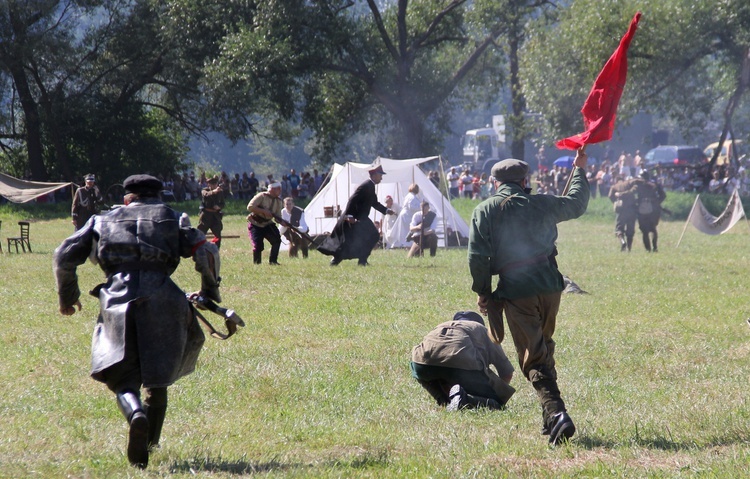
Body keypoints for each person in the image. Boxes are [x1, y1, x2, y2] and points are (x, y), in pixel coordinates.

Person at [53, 174, 221, 469]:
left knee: (121, 376)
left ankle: (135, 414)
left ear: (127, 197)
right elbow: (205, 250)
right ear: (158, 196)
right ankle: (149, 444)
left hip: (118, 297)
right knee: (158, 377)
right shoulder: (172, 217)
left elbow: (64, 254)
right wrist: (210, 290)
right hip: (163, 297)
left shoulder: (101, 220)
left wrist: (68, 296)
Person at [468, 151, 589, 446]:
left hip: (517, 290)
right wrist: (580, 170)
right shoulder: (542, 203)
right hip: (551, 286)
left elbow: (477, 257)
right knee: (543, 349)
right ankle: (550, 419)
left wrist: (484, 292)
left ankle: (558, 414)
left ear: (495, 183)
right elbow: (576, 204)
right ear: (525, 181)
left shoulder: (485, 210)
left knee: (533, 357)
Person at [410, 311, 515, 410]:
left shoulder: (441, 326)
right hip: (460, 363)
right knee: (496, 404)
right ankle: (465, 400)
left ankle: (446, 402)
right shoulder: (482, 329)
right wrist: (496, 395)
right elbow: (507, 372)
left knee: (430, 373)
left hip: (420, 364)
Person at [317, 164, 396, 266]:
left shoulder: (370, 186)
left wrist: (386, 210)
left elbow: (374, 203)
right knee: (362, 238)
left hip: (361, 218)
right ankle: (351, 260)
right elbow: (352, 200)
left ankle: (361, 260)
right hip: (355, 218)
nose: (381, 178)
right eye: (380, 175)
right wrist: (349, 216)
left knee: (362, 239)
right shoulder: (366, 186)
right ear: (375, 175)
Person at [247, 182, 283, 265]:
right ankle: (257, 263)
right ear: (273, 189)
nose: (280, 191)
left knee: (276, 240)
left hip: (268, 224)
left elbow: (277, 217)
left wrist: (282, 222)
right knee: (258, 245)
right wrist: (263, 211)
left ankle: (273, 261)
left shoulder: (278, 201)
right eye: (278, 189)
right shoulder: (261, 196)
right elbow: (250, 207)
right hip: (255, 223)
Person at [633, 170, 666, 252]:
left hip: (645, 210)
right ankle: (653, 248)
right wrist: (656, 202)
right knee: (651, 230)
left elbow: (662, 195)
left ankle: (651, 249)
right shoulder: (652, 185)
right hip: (650, 209)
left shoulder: (638, 186)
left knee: (648, 231)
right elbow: (662, 195)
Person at [608, 175, 638, 252]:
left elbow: (610, 196)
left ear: (616, 180)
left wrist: (615, 201)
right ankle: (629, 248)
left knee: (619, 229)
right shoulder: (628, 184)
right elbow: (634, 190)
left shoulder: (614, 186)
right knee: (630, 230)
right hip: (631, 209)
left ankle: (623, 242)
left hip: (621, 210)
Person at [197, 176, 225, 248]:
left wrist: (219, 207)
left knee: (217, 235)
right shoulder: (204, 190)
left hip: (215, 216)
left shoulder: (220, 192)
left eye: (215, 183)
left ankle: (216, 251)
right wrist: (214, 191)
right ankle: (199, 249)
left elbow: (222, 203)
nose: (214, 185)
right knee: (200, 234)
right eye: (212, 184)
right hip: (206, 216)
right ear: (208, 184)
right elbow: (206, 195)